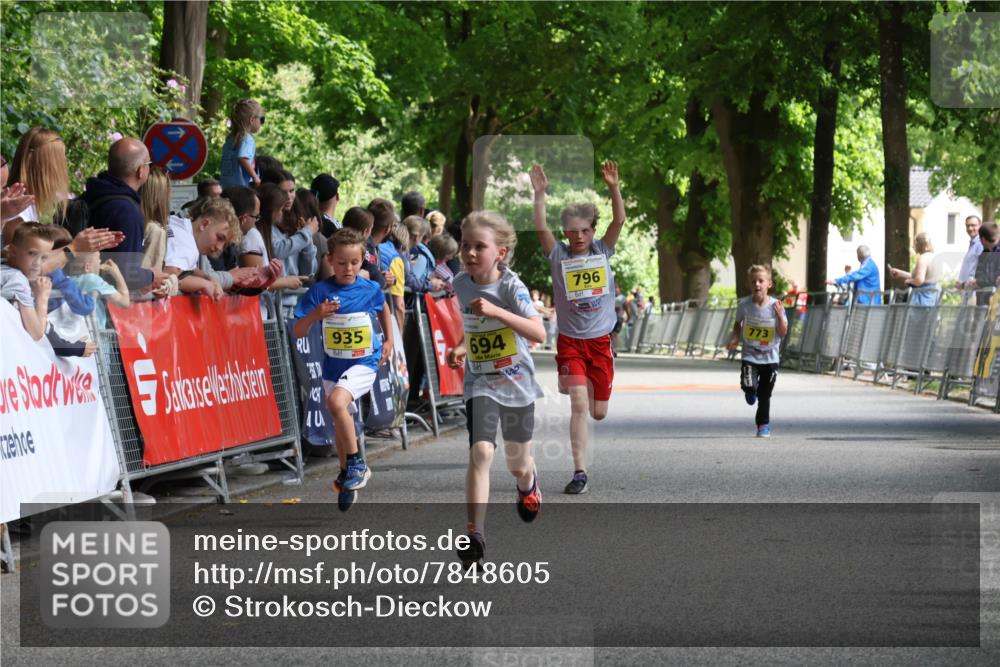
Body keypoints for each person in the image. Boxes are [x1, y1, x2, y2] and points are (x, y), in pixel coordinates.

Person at [446, 211, 545, 568]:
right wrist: (461, 347)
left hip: (516, 382)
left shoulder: (511, 287)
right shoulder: (461, 283)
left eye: (479, 247)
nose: (470, 253)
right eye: (465, 245)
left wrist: (499, 312)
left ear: (500, 253)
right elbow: (473, 324)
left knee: (517, 464)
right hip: (482, 381)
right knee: (481, 453)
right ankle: (475, 535)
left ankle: (528, 483)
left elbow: (538, 332)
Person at [529, 160, 626, 495]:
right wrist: (539, 194)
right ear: (565, 232)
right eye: (572, 231)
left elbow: (619, 220)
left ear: (593, 231)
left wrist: (613, 187)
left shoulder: (602, 250)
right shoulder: (557, 255)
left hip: (599, 342)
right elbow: (540, 226)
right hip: (570, 341)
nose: (579, 236)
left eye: (585, 230)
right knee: (579, 405)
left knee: (598, 412)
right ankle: (580, 472)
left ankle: (580, 382)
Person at [293, 228, 393, 511]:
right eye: (341, 263)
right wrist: (316, 315)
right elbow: (298, 331)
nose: (348, 268)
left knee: (337, 402)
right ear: (330, 260)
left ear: (363, 260)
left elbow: (383, 308)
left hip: (365, 361)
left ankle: (357, 464)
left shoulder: (369, 288)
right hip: (333, 366)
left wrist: (389, 340)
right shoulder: (320, 292)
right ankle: (346, 472)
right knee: (340, 418)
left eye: (354, 262)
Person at [81, 138, 167, 292]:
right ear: (140, 171)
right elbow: (127, 274)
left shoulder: (89, 196)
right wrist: (151, 276)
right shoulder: (128, 212)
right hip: (104, 299)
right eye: (149, 164)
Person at [726, 265, 788, 438]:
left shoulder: (776, 306)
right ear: (749, 284)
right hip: (750, 356)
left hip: (770, 357)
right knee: (749, 386)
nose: (757, 284)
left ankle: (763, 425)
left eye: (761, 281)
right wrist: (735, 338)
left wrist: (780, 316)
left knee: (765, 395)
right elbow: (737, 324)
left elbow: (783, 332)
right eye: (753, 281)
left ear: (769, 284)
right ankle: (750, 390)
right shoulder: (744, 305)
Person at [164, 196, 243, 298]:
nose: (220, 248)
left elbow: (187, 269)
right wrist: (204, 284)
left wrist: (208, 278)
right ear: (204, 225)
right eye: (219, 237)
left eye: (224, 244)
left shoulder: (178, 223)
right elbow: (169, 276)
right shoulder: (188, 247)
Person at [1, 222, 54, 340]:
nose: (37, 263)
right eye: (32, 253)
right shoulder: (17, 280)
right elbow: (36, 333)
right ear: (13, 251)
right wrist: (42, 296)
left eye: (44, 258)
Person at [66, 252, 130, 329]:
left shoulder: (67, 282)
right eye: (98, 258)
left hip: (77, 331)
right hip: (96, 332)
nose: (100, 261)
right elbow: (124, 302)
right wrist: (117, 274)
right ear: (87, 267)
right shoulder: (92, 280)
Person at [220, 99, 263, 188]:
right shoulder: (247, 139)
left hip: (225, 185)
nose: (261, 123)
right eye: (261, 119)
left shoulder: (230, 139)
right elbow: (243, 158)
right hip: (240, 187)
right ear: (252, 119)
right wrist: (255, 177)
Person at [890, 232, 939, 306]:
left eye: (915, 243)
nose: (913, 246)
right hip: (932, 297)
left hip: (921, 298)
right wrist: (900, 273)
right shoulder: (933, 257)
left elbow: (919, 280)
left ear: (921, 245)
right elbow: (920, 276)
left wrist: (908, 281)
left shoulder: (922, 258)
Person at [341, 206, 384, 287]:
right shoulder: (363, 249)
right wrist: (383, 279)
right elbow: (375, 275)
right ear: (365, 231)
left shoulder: (334, 242)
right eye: (371, 229)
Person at [969, 222, 1000, 305]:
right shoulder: (984, 253)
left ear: (983, 239)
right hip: (983, 300)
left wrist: (978, 282)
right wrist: (975, 281)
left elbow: (995, 278)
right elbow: (980, 274)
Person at [957, 215, 983, 290]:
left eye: (973, 225)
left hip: (975, 290)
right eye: (967, 226)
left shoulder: (981, 244)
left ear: (980, 226)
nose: (970, 228)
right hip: (967, 289)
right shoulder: (973, 244)